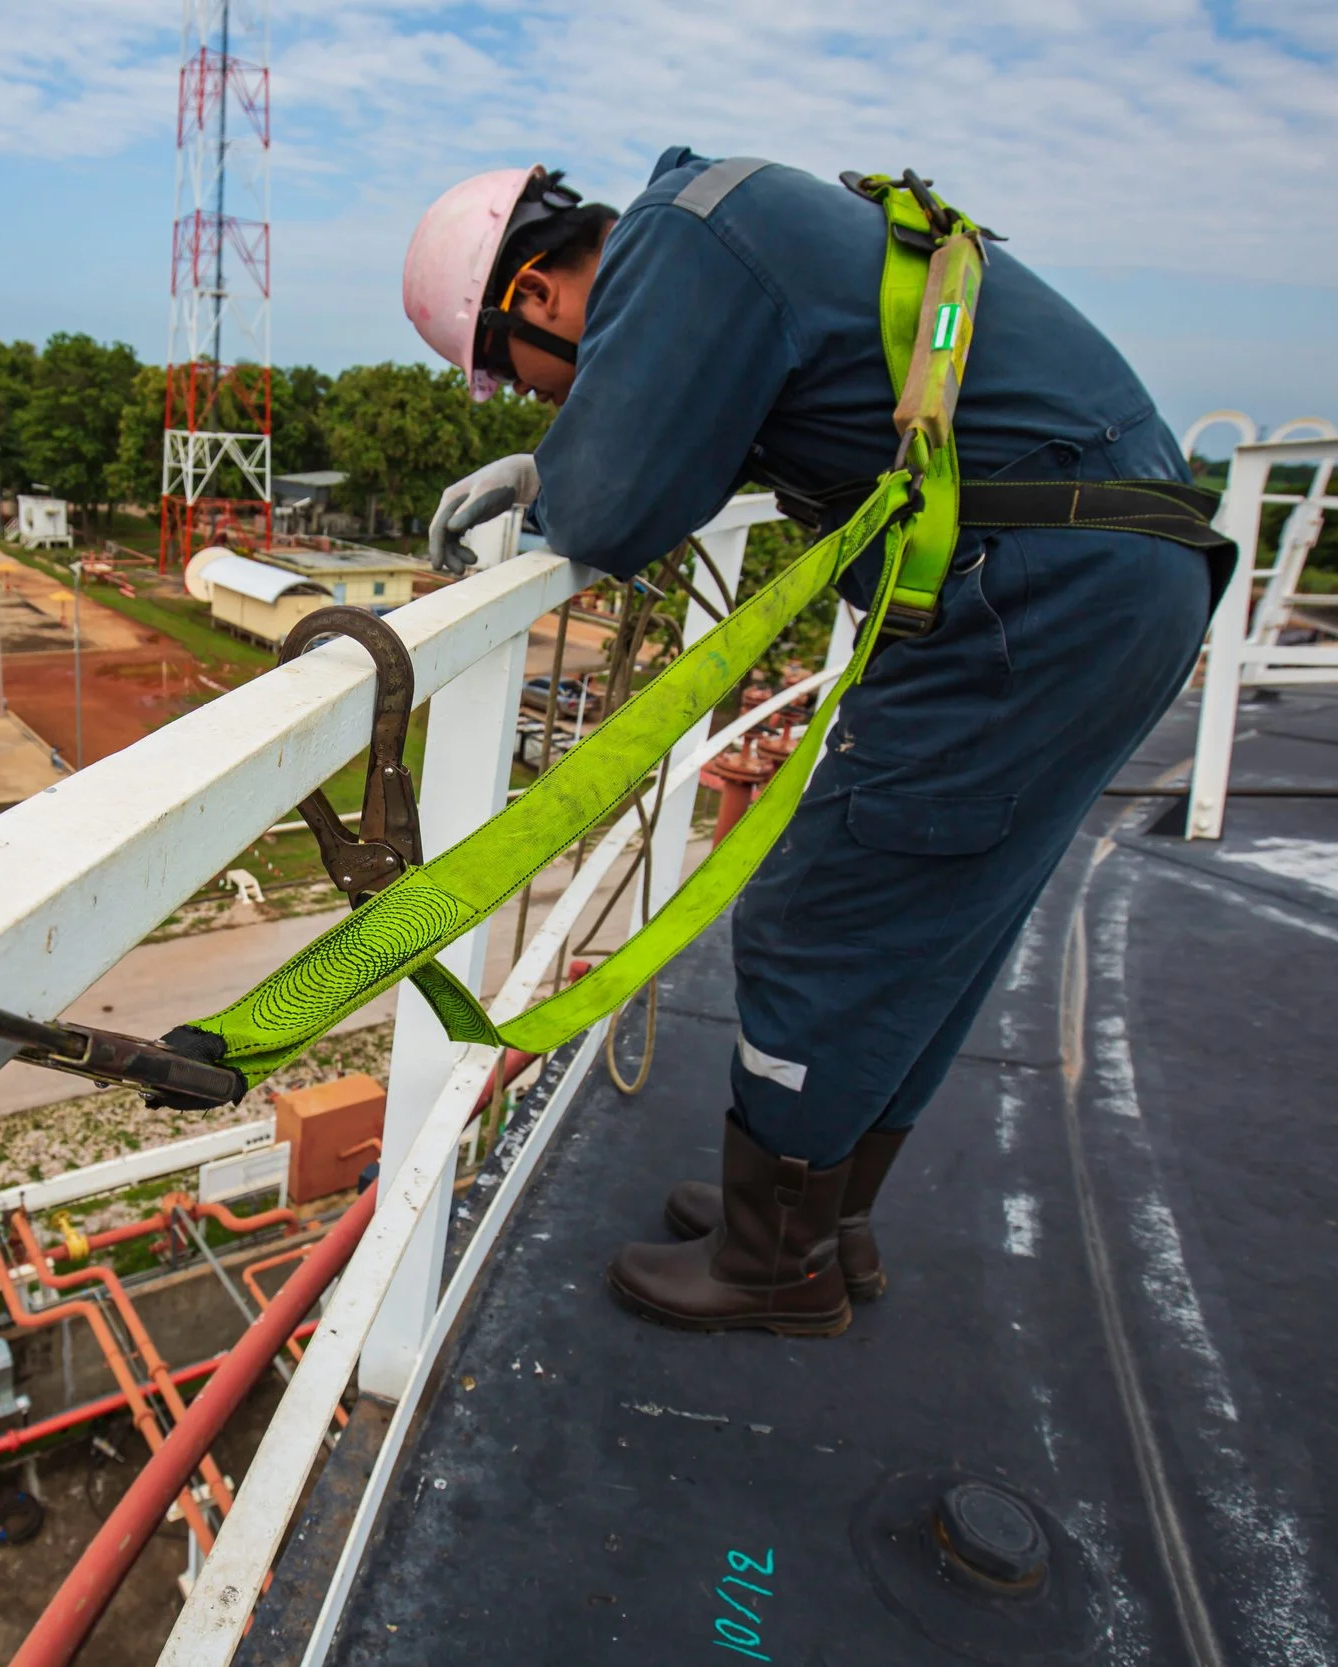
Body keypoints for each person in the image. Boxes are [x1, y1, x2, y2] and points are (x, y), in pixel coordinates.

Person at [400, 154, 1224, 1336]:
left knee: (824, 912)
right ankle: (819, 1210)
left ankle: (772, 1258)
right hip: (1105, 575)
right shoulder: (727, 220)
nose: (544, 401)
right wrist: (561, 459)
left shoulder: (679, 249)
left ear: (532, 298)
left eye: (525, 388)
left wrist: (553, 483)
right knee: (931, 925)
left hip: (1044, 594)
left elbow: (608, 511)